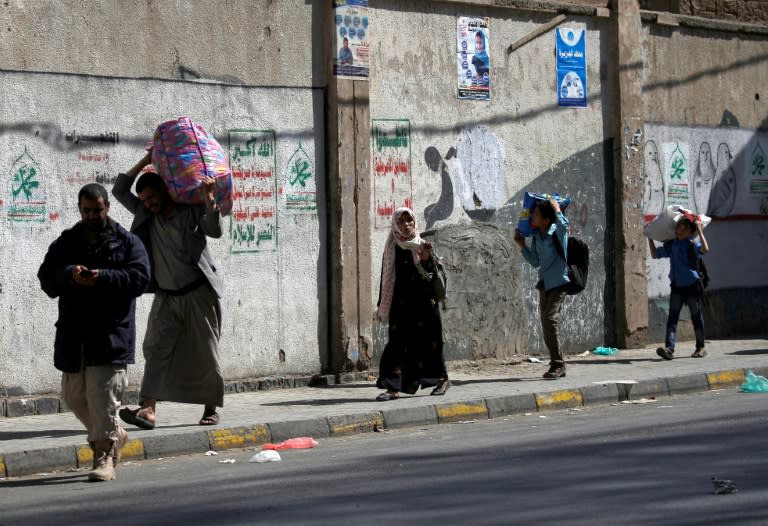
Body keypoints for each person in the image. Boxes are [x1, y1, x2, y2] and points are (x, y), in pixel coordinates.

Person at [38, 183, 151, 481]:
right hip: (75, 337)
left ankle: (103, 457)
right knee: (74, 397)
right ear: (79, 209)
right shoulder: (67, 241)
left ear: (107, 208)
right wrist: (70, 275)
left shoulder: (127, 242)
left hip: (110, 335)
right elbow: (47, 279)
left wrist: (102, 279)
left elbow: (140, 278)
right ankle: (115, 434)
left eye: (97, 210)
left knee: (103, 399)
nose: (91, 216)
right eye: (86, 211)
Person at [113, 150, 225, 429]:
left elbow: (215, 230)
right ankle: (148, 409)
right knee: (156, 348)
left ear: (164, 189)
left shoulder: (190, 209)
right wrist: (146, 161)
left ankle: (210, 408)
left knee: (205, 351)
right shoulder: (144, 214)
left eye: (152, 198)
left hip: (199, 292)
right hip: (165, 295)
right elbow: (118, 189)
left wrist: (209, 198)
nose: (149, 205)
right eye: (145, 201)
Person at [375, 207, 449, 401]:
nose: (407, 225)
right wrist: (382, 303)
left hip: (424, 302)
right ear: (395, 224)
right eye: (402, 221)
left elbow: (433, 272)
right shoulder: (391, 246)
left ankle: (442, 380)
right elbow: (386, 276)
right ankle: (393, 388)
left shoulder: (422, 244)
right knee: (396, 345)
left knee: (431, 343)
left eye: (410, 221)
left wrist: (426, 259)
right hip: (401, 303)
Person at [514, 197, 570, 379]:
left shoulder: (557, 232)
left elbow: (565, 227)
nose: (532, 216)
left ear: (546, 220)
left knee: (549, 319)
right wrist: (522, 245)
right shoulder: (537, 236)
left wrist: (557, 210)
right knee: (546, 324)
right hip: (545, 284)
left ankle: (558, 364)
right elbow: (536, 261)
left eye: (536, 214)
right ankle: (557, 362)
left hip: (559, 283)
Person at [648, 215, 710, 359]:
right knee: (672, 318)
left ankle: (700, 347)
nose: (679, 230)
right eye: (678, 227)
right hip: (677, 286)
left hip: (692, 286)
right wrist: (649, 237)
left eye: (683, 227)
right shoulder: (673, 245)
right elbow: (655, 254)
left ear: (690, 231)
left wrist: (699, 230)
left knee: (696, 317)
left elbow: (705, 249)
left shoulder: (692, 245)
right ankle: (669, 349)